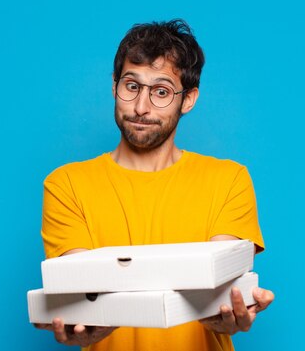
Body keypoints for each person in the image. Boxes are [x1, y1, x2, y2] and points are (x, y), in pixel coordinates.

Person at [35, 19, 275, 351]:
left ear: (188, 99)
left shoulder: (228, 180)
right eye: (131, 86)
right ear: (114, 86)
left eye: (161, 92)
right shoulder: (66, 185)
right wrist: (85, 317)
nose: (141, 106)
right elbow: (84, 290)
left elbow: (220, 282)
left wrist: (224, 311)